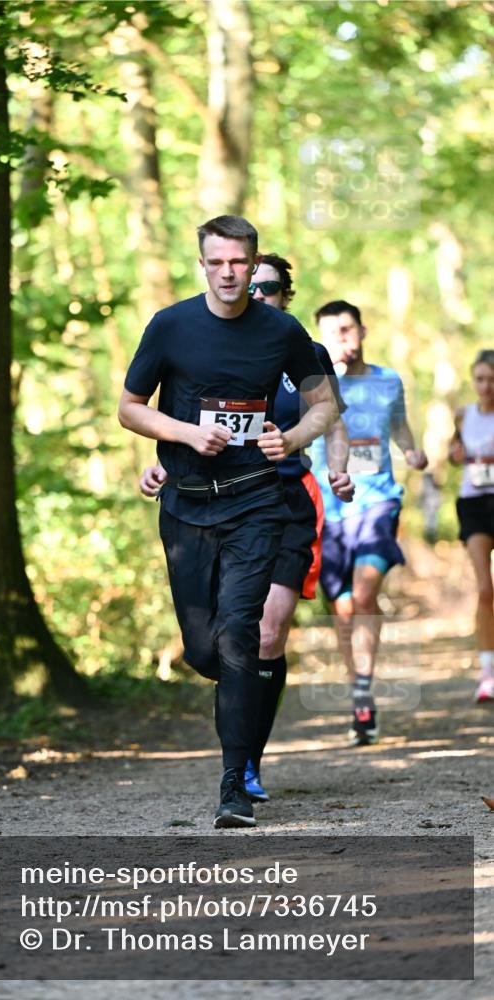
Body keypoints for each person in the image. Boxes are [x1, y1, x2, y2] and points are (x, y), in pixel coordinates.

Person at [118, 216, 339, 828]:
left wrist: (289, 438)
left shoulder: (281, 330)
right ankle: (239, 684)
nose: (228, 273)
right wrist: (188, 434)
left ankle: (233, 786)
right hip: (187, 504)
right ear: (203, 263)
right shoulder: (171, 326)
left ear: (251, 262)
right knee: (203, 649)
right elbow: (130, 409)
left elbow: (324, 404)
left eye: (238, 263)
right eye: (216, 262)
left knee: (241, 633)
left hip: (254, 500)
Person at [312, 300, 428, 746]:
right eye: (331, 333)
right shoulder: (313, 386)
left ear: (362, 330)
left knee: (364, 593)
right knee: (343, 607)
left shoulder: (387, 381)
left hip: (378, 501)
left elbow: (399, 427)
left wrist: (412, 452)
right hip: (331, 508)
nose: (341, 338)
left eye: (347, 329)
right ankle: (361, 690)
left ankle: (362, 691)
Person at [448, 348, 494, 703]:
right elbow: (453, 452)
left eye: (492, 380)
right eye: (480, 379)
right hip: (475, 504)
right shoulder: (463, 415)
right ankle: (487, 672)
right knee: (484, 589)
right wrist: (455, 454)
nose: (486, 386)